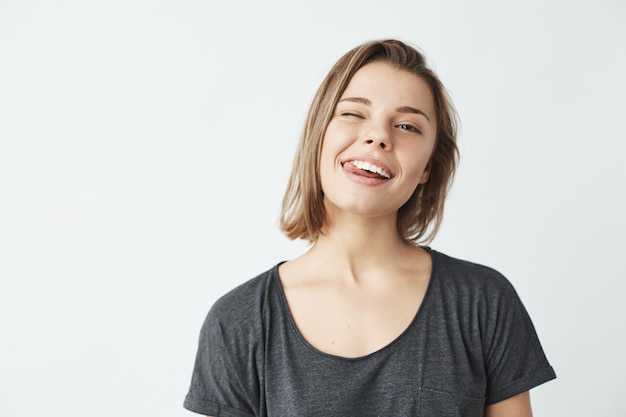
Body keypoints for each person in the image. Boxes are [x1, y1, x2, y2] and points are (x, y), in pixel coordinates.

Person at [183, 39, 556, 417]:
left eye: (408, 125)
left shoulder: (483, 303)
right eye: (353, 114)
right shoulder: (238, 322)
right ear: (319, 135)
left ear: (427, 166)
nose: (378, 136)